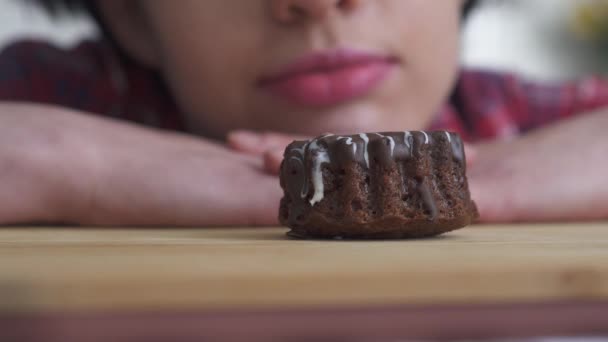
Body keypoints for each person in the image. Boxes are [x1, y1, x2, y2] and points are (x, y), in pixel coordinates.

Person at [0, 0, 606, 226]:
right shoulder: (54, 94)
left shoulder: (519, 118)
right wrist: (83, 165)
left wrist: (506, 175)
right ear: (132, 16)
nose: (317, 5)